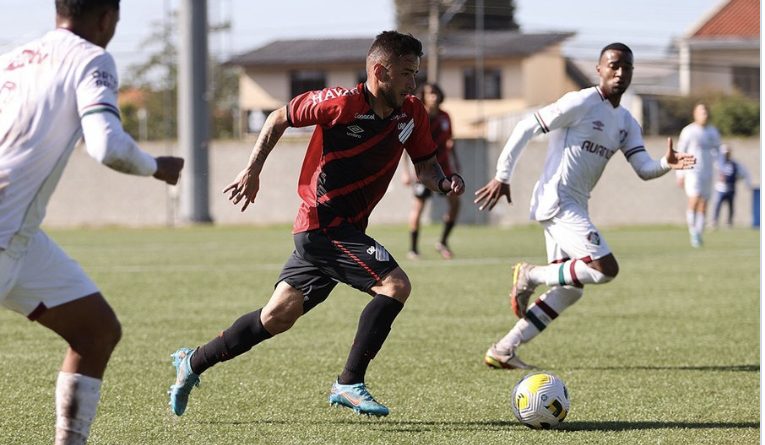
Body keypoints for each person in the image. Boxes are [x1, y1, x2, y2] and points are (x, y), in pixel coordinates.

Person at [168, 31, 465, 417]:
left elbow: (425, 165)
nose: (414, 83)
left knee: (277, 316)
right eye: (407, 73)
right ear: (380, 71)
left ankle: (193, 361)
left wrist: (444, 182)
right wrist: (252, 170)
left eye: (416, 73)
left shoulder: (411, 113)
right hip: (322, 224)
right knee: (395, 285)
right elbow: (279, 117)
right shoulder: (340, 103)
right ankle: (349, 382)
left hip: (346, 230)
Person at [0, 1, 185, 443]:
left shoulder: (12, 60)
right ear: (106, 19)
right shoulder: (91, 58)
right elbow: (107, 146)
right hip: (4, 232)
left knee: (96, 331)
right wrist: (155, 166)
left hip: (21, 238)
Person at [474, 43, 695, 370]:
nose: (620, 73)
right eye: (613, 65)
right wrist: (502, 175)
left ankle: (503, 350)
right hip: (559, 200)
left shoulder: (627, 123)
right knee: (605, 269)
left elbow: (644, 169)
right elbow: (526, 126)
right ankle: (530, 274)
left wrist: (665, 162)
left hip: (575, 204)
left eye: (626, 67)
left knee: (570, 290)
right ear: (599, 69)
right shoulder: (581, 102)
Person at [400, 83, 461, 260]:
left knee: (455, 204)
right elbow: (406, 145)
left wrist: (456, 162)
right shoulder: (419, 116)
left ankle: (443, 242)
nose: (434, 97)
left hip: (445, 169)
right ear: (423, 97)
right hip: (425, 171)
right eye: (430, 94)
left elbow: (450, 141)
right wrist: (405, 171)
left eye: (436, 93)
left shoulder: (445, 116)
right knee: (418, 208)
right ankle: (413, 249)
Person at [676, 103, 721, 247]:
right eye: (701, 112)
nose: (704, 115)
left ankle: (699, 232)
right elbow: (680, 152)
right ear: (695, 114)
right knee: (694, 199)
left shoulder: (713, 132)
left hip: (707, 171)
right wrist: (680, 174)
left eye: (706, 112)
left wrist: (721, 170)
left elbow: (718, 152)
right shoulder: (688, 131)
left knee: (704, 203)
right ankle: (693, 232)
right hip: (692, 171)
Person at [712, 144, 753, 229]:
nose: (726, 155)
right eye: (724, 153)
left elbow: (744, 173)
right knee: (717, 205)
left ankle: (729, 223)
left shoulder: (734, 164)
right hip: (720, 189)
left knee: (730, 206)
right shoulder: (718, 163)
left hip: (731, 189)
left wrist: (745, 183)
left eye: (727, 153)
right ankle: (714, 221)